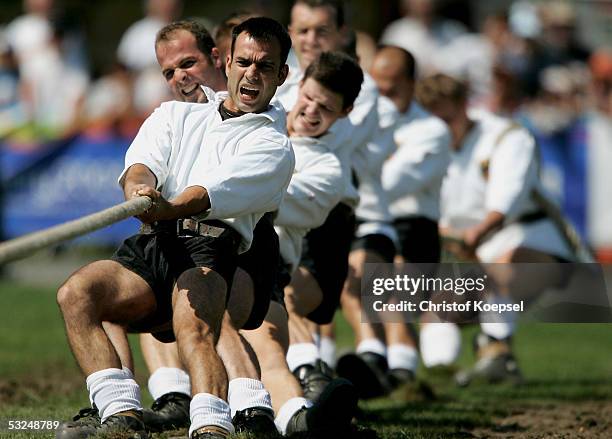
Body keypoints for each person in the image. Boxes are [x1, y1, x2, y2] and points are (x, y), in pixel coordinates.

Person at [55, 16, 294, 439]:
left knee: (196, 322)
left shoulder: (273, 144)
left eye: (265, 66)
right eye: (245, 63)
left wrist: (165, 207)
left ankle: (212, 424)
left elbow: (205, 195)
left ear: (282, 75)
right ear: (229, 64)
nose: (251, 74)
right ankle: (120, 415)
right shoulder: (174, 116)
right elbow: (142, 163)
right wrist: (140, 188)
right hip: (155, 244)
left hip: (214, 248)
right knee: (77, 293)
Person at [416, 73, 576, 385]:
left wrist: (472, 237)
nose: (442, 130)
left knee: (499, 273)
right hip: (476, 251)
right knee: (437, 309)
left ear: (464, 106)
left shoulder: (507, 136)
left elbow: (504, 204)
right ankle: (440, 377)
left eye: (447, 118)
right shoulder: (428, 146)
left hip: (536, 242)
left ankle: (496, 351)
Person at [335, 45, 452, 397]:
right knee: (350, 286)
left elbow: (391, 182)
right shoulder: (362, 121)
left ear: (412, 84)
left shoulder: (431, 130)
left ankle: (397, 371)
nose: (383, 96)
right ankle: (378, 363)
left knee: (390, 293)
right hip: (372, 221)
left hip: (412, 225)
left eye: (392, 88)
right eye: (378, 86)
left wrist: (362, 166)